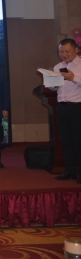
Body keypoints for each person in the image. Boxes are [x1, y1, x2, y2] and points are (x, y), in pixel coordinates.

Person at [51, 39, 81, 182]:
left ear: (76, 50)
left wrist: (73, 77)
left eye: (67, 51)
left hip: (77, 107)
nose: (64, 54)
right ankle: (70, 170)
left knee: (79, 140)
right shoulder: (57, 67)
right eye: (61, 52)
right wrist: (51, 82)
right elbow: (54, 88)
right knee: (65, 140)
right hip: (62, 107)